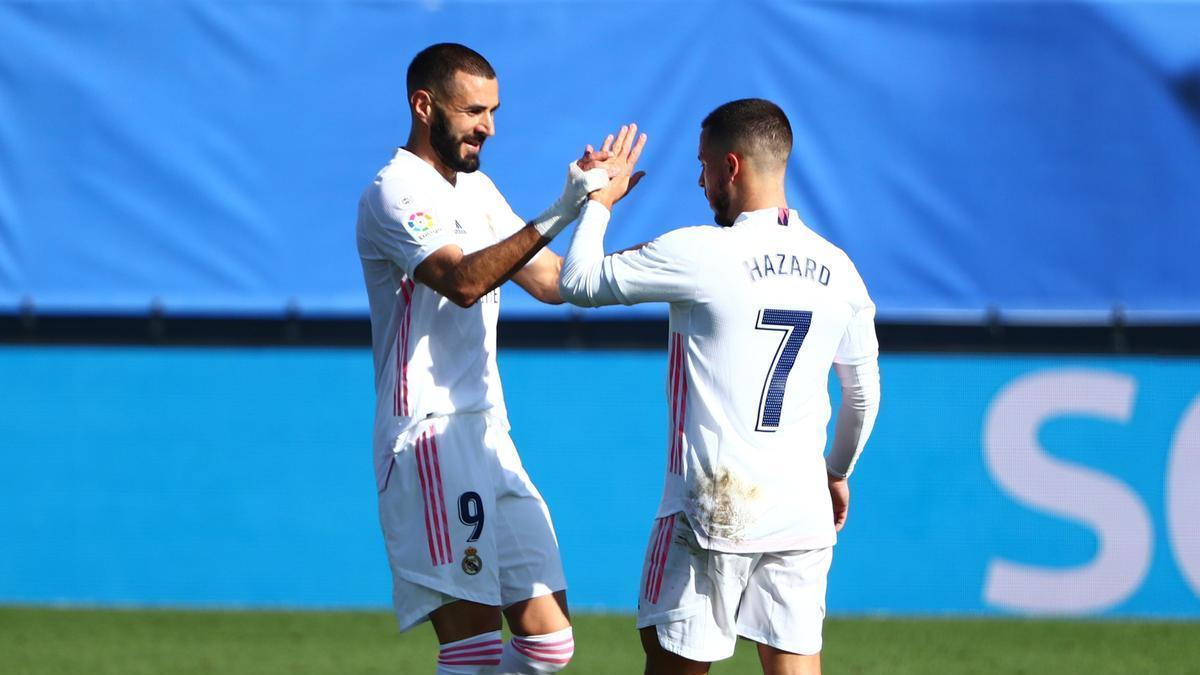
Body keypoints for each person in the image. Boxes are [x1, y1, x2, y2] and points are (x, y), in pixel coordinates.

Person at [557, 100, 882, 675]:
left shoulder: (700, 251)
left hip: (709, 508)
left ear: (732, 167)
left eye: (704, 165)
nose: (699, 180)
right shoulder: (841, 270)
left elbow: (579, 282)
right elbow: (861, 397)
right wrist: (835, 474)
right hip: (800, 509)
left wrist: (599, 205)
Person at [356, 42, 629, 674]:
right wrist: (562, 206)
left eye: (494, 110)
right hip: (430, 437)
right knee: (474, 650)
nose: (489, 127)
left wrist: (597, 213)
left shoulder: (477, 189)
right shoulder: (395, 192)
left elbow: (553, 281)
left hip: (488, 432)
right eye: (474, 110)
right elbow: (463, 281)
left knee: (548, 645)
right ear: (424, 106)